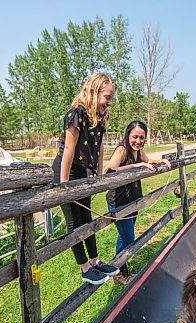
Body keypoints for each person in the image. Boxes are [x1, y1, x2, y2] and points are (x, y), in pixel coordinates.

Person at [52, 73, 119, 285]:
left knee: (87, 219)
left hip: (83, 172)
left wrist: (98, 176)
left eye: (111, 98)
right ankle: (84, 268)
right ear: (94, 91)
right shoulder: (76, 114)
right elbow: (69, 149)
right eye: (107, 97)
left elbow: (98, 150)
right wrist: (64, 183)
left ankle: (96, 261)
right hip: (67, 171)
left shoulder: (98, 119)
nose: (109, 103)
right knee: (75, 222)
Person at [104, 120, 171, 284]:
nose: (138, 141)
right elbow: (109, 169)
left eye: (142, 138)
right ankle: (118, 270)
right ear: (128, 135)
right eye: (135, 137)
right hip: (119, 203)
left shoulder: (138, 151)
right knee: (129, 239)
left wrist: (161, 161)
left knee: (124, 235)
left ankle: (118, 268)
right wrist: (138, 165)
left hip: (133, 201)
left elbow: (148, 161)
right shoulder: (122, 150)